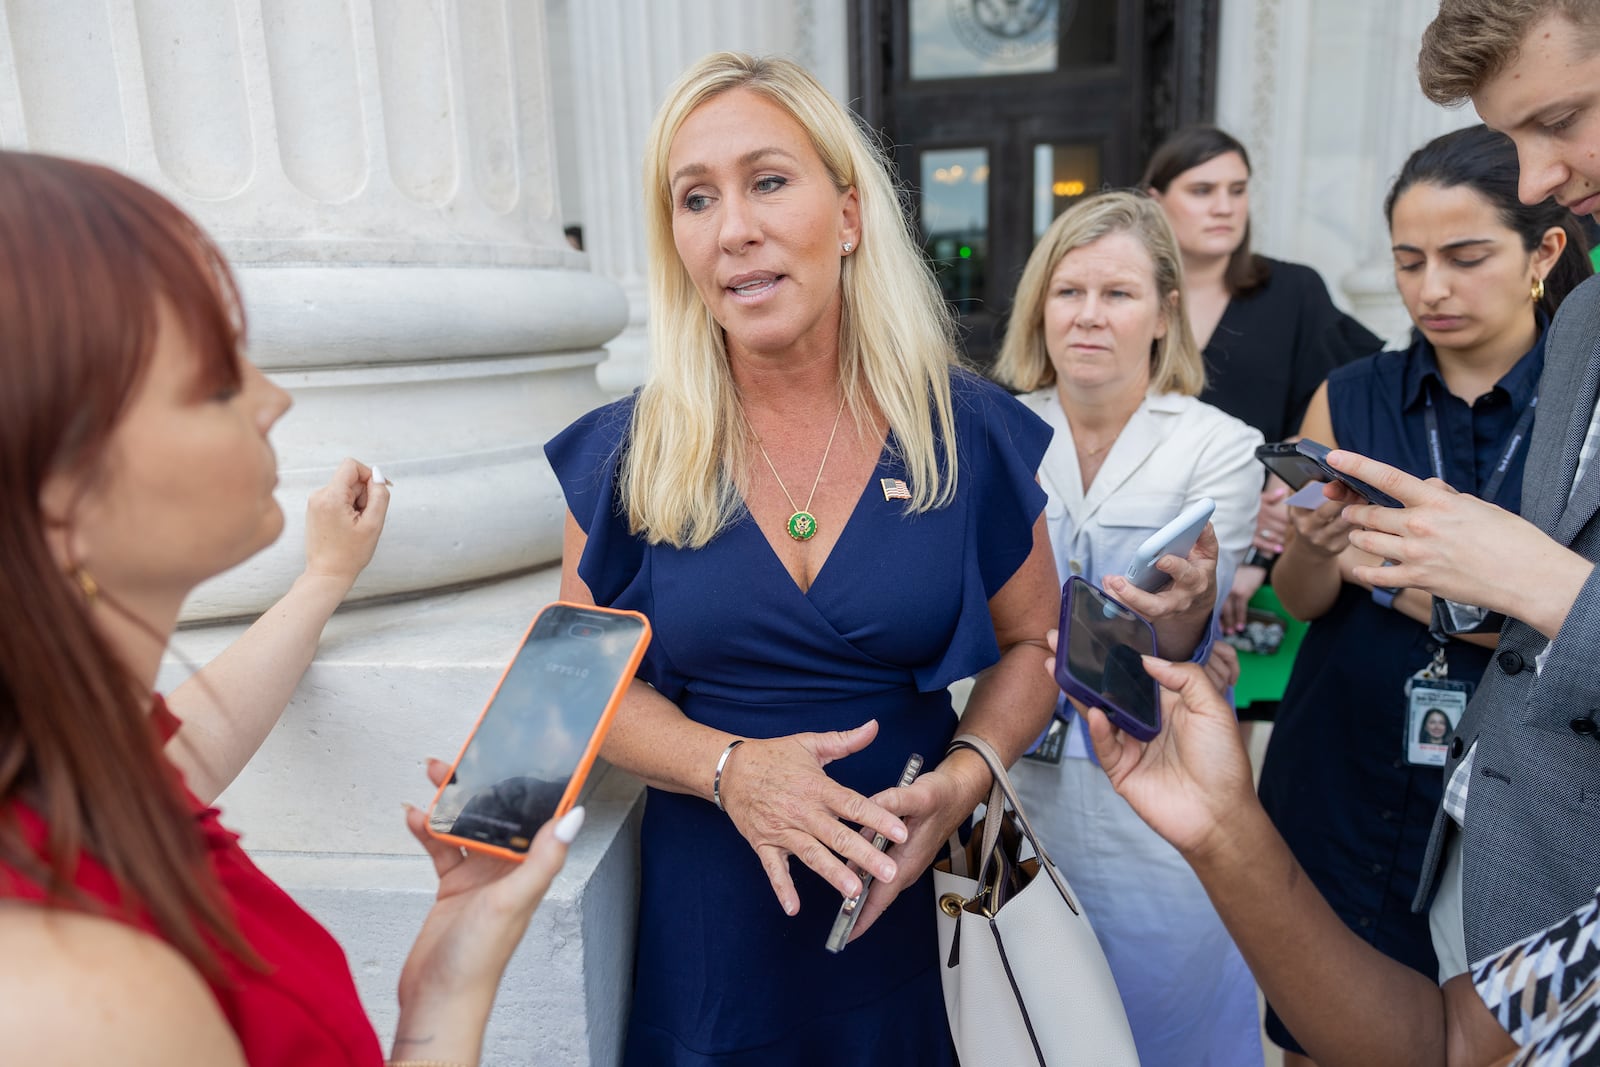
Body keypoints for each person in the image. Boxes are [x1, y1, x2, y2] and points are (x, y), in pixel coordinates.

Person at [0, 151, 577, 1066]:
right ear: (58, 490)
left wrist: (323, 578)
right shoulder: (87, 1002)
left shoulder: (72, 768)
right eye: (218, 380)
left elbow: (183, 747)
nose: (276, 397)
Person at [544, 52, 1059, 1065]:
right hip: (714, 944)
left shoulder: (965, 431)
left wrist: (960, 780)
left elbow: (1035, 641)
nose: (733, 227)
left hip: (907, 915)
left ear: (851, 215)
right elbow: (577, 688)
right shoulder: (628, 453)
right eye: (696, 199)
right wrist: (728, 767)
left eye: (767, 180)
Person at [1257, 123, 1591, 1066]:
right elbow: (1304, 597)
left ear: (1545, 252)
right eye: (1408, 261)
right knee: (1320, 1028)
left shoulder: (1581, 409)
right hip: (1340, 764)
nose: (1430, 289)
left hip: (1510, 803)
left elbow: (1572, 617)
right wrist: (1319, 549)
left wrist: (1409, 587)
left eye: (1465, 256)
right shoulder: (1350, 392)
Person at [1318, 0, 1600, 985]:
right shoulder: (1586, 325)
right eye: (1405, 261)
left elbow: (1553, 593)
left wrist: (1539, 583)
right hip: (1484, 844)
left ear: (1536, 263)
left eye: (1560, 122)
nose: (1539, 181)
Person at [991, 190, 1264, 1066]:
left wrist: (1187, 605)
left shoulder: (1217, 444)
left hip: (1156, 770)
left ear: (1164, 312)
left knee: (1166, 1018)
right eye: (1068, 291)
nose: (1089, 316)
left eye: (1117, 294)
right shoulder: (993, 433)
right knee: (1026, 1013)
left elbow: (1188, 634)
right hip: (1016, 775)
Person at [1143, 126, 1384, 634]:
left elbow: (1336, 420)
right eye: (1202, 191)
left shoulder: (1294, 291)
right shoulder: (1129, 296)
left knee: (1228, 703)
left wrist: (1260, 549)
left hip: (1274, 561)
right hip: (1141, 539)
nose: (1225, 207)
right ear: (1156, 201)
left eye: (1237, 189)